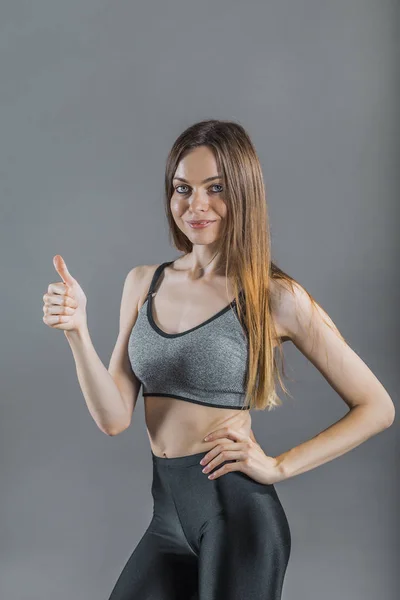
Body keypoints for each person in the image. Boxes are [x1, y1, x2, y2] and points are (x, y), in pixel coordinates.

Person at [43, 119, 395, 600]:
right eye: (182, 188)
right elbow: (112, 417)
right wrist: (77, 332)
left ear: (244, 194)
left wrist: (279, 467)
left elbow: (377, 406)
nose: (196, 205)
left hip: (238, 519)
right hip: (167, 519)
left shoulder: (274, 297)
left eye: (216, 188)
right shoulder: (143, 282)